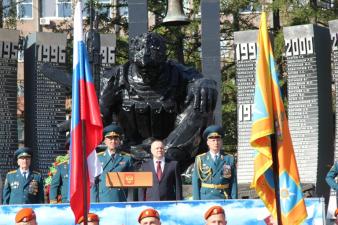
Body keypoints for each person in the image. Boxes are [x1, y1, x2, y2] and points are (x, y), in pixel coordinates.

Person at [192, 125, 237, 200]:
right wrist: (196, 202)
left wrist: (234, 201)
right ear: (208, 142)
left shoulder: (229, 159)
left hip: (223, 197)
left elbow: (233, 182)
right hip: (206, 198)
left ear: (221, 142)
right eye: (213, 140)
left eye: (218, 140)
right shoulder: (201, 159)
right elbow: (196, 182)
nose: (216, 143)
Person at [91, 124, 133, 202]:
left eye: (116, 138)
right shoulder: (98, 158)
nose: (113, 141)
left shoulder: (127, 158)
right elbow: (94, 183)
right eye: (110, 138)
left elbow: (132, 183)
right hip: (103, 199)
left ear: (119, 141)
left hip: (120, 199)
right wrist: (94, 203)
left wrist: (130, 202)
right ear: (105, 141)